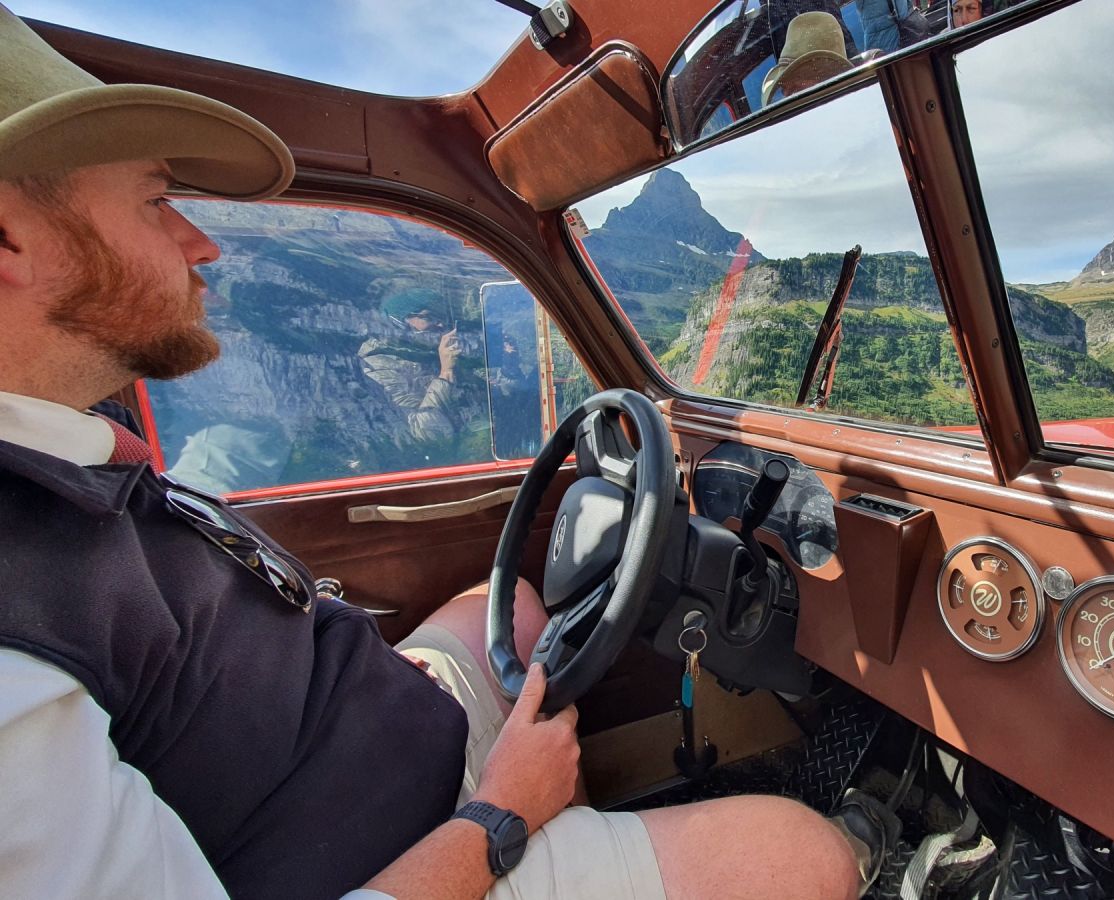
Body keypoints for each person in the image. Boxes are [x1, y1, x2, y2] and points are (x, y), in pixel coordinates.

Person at [0, 7, 871, 900]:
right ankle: (857, 838)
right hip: (408, 853)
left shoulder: (63, 460)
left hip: (346, 746)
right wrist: (504, 813)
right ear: (7, 238)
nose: (201, 240)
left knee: (507, 603)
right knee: (806, 856)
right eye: (155, 201)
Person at [360, 288, 477, 447]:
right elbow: (425, 434)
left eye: (441, 317)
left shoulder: (429, 353)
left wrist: (509, 371)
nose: (440, 324)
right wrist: (446, 373)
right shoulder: (376, 367)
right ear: (399, 323)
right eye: (429, 317)